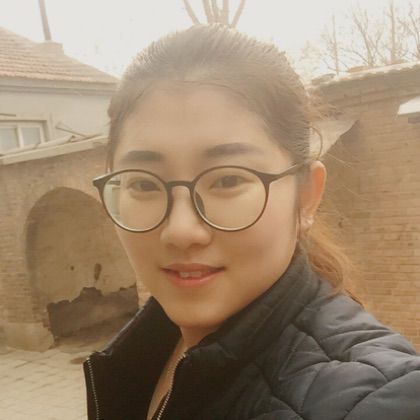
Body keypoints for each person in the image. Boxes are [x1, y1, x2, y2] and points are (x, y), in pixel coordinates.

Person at [83, 24, 420, 420]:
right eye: (143, 184)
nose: (181, 231)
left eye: (228, 180)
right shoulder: (144, 352)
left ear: (307, 195)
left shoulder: (383, 401)